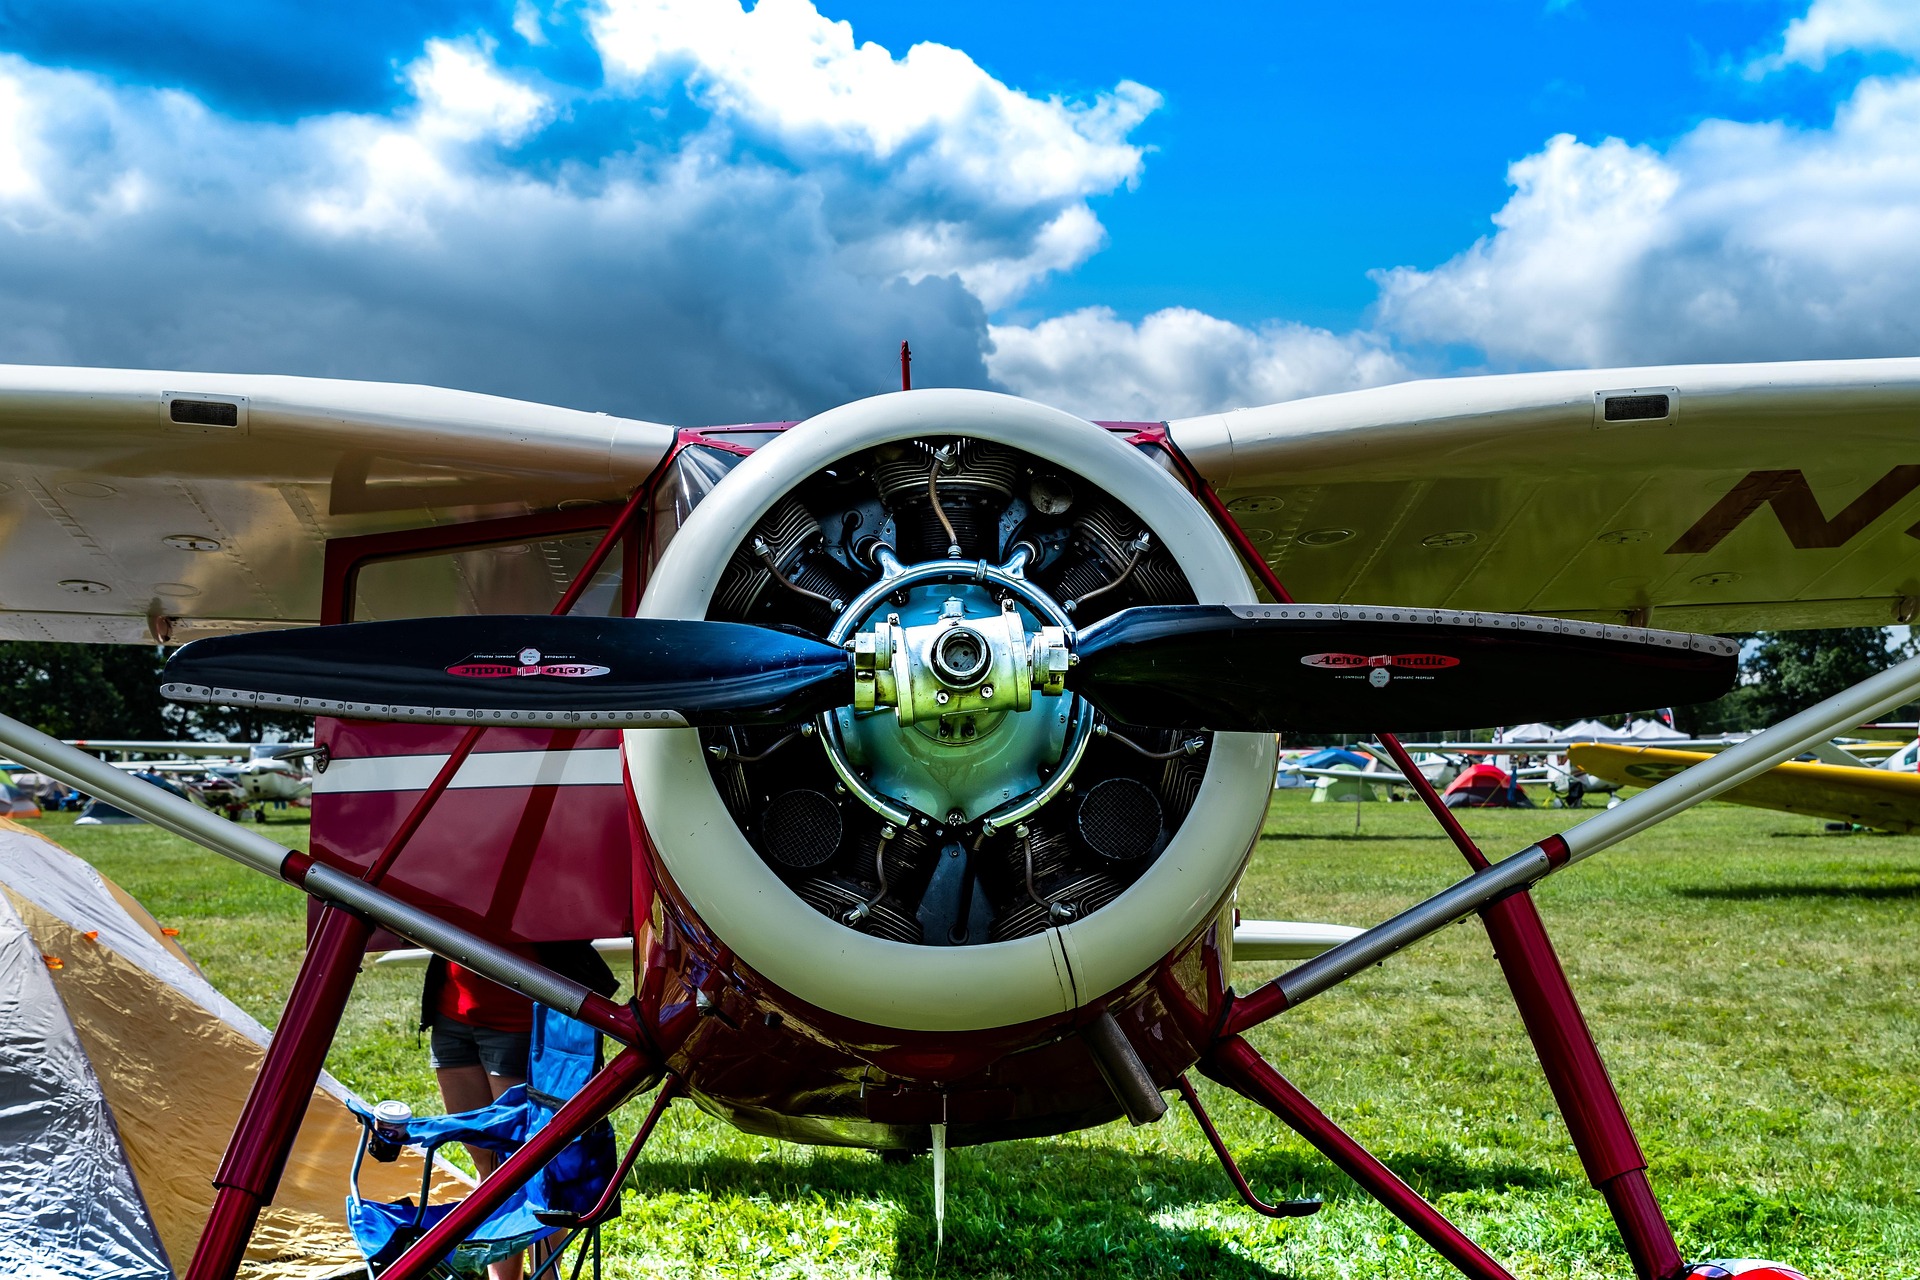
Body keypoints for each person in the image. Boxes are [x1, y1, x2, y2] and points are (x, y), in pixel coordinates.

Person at [423, 953, 534, 1280]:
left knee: (527, 1168)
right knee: (487, 1164)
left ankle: (545, 1274)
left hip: (516, 1019)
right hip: (451, 1016)